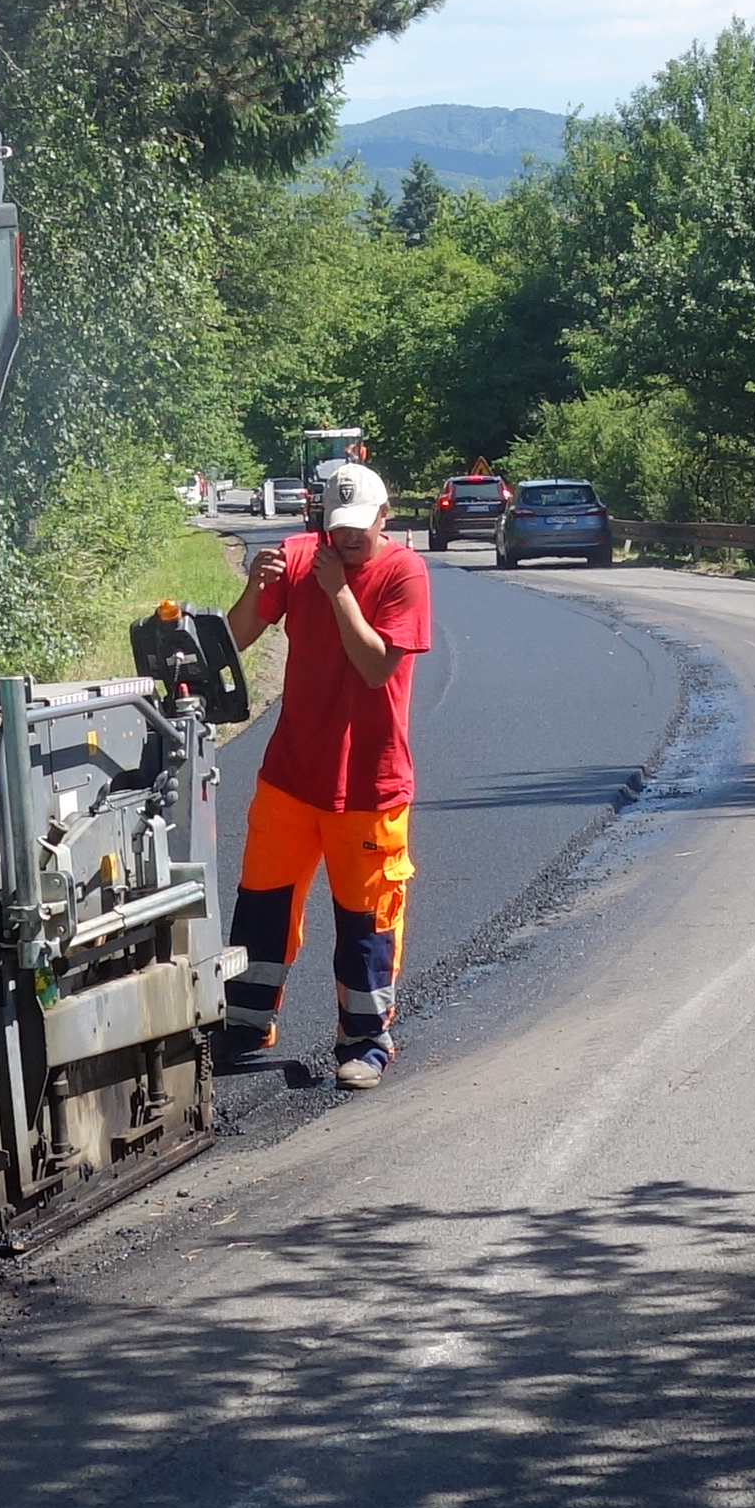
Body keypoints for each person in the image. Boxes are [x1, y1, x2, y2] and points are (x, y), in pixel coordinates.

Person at [217, 456, 430, 1091]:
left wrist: (336, 588)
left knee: (365, 918)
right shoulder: (298, 553)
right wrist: (255, 587)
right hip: (290, 774)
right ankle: (246, 1022)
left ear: (384, 517)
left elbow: (375, 669)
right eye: (338, 526)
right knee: (261, 904)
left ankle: (366, 1039)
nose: (349, 538)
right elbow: (237, 637)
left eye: (361, 526)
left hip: (370, 784)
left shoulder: (404, 572)